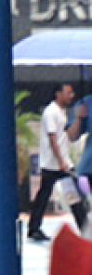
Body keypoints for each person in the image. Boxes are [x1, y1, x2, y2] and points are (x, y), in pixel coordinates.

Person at [30, 82, 84, 240]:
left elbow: (64, 136)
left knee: (69, 194)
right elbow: (53, 138)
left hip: (61, 162)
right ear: (58, 94)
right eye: (68, 92)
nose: (70, 96)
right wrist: (60, 161)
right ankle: (34, 227)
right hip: (52, 164)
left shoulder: (62, 112)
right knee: (46, 195)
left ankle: (83, 226)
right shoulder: (51, 112)